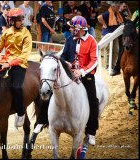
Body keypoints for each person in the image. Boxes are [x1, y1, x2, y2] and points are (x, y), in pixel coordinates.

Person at [0, 8, 32, 127]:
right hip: (4, 61)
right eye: (19, 20)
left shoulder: (26, 33)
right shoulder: (6, 33)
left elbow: (25, 55)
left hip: (19, 64)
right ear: (11, 21)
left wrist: (10, 63)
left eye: (22, 19)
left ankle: (21, 113)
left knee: (16, 87)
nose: (22, 22)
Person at [60, 16, 99, 146]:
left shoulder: (92, 41)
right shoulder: (70, 39)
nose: (70, 29)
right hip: (70, 74)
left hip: (86, 75)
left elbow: (94, 61)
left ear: (79, 29)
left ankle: (91, 132)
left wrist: (81, 71)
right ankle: (44, 120)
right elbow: (63, 56)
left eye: (72, 27)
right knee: (54, 90)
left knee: (93, 101)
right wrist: (67, 64)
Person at [97, 1, 124, 70]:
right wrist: (105, 24)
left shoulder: (117, 14)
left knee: (116, 50)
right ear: (113, 7)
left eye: (119, 6)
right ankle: (107, 66)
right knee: (108, 50)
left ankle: (112, 66)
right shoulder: (108, 13)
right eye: (117, 7)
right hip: (107, 34)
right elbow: (99, 17)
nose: (118, 8)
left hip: (114, 34)